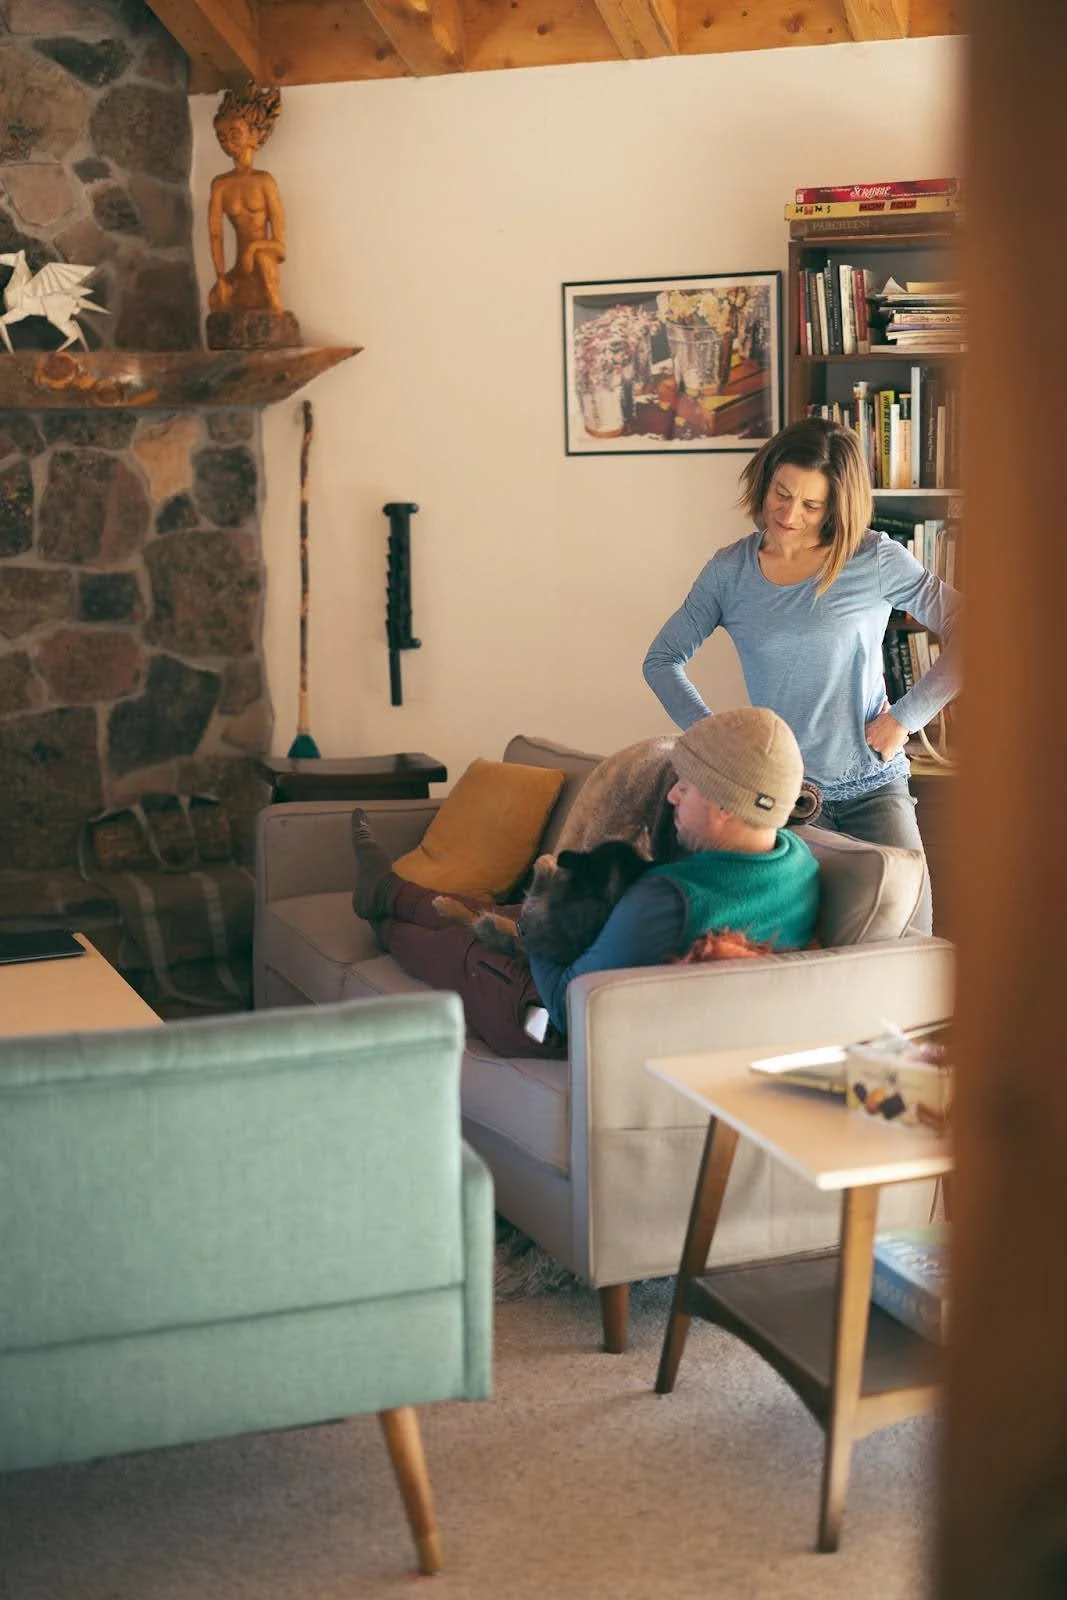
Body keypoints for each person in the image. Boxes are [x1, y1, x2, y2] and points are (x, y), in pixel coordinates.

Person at [642, 416, 961, 934]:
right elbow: (661, 661)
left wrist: (905, 718)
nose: (789, 515)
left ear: (837, 506)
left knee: (913, 942)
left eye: (811, 505)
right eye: (781, 494)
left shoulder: (874, 558)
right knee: (805, 953)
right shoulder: (730, 572)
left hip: (874, 788)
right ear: (765, 481)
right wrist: (721, 744)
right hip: (785, 803)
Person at [350, 707, 820, 1059]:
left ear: (724, 805)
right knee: (491, 915)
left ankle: (382, 913)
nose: (672, 795)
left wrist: (536, 930)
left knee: (456, 947)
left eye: (687, 786)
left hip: (545, 1021)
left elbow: (569, 1006)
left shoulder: (669, 900)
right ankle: (385, 890)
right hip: (618, 970)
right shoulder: (798, 861)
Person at [207, 85, 288, 316]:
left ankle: (276, 307)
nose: (228, 143)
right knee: (215, 299)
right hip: (241, 271)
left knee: (263, 258)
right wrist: (221, 277)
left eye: (235, 134)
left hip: (263, 267)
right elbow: (215, 234)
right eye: (221, 137)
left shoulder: (265, 181)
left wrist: (253, 248)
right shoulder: (220, 184)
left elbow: (280, 248)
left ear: (254, 134)